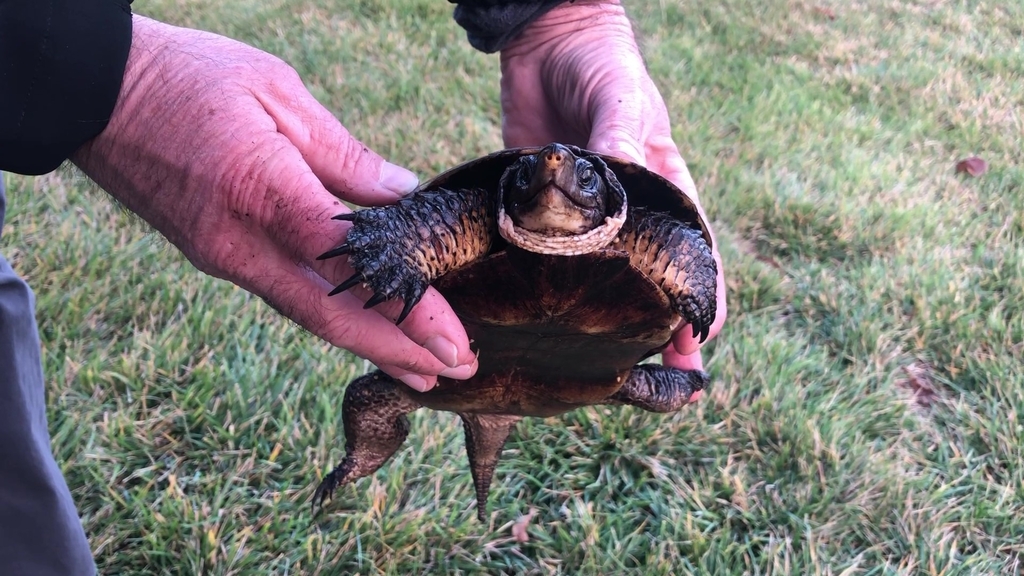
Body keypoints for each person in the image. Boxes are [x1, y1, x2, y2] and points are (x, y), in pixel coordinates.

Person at [0, 0, 726, 572]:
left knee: (656, 384)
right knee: (379, 395)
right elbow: (413, 232)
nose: (555, 178)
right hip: (480, 367)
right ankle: (365, 456)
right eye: (535, 171)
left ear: (610, 196)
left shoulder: (644, 232)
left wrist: (558, 12)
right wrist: (97, 75)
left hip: (595, 370)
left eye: (580, 176)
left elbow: (683, 258)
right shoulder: (475, 217)